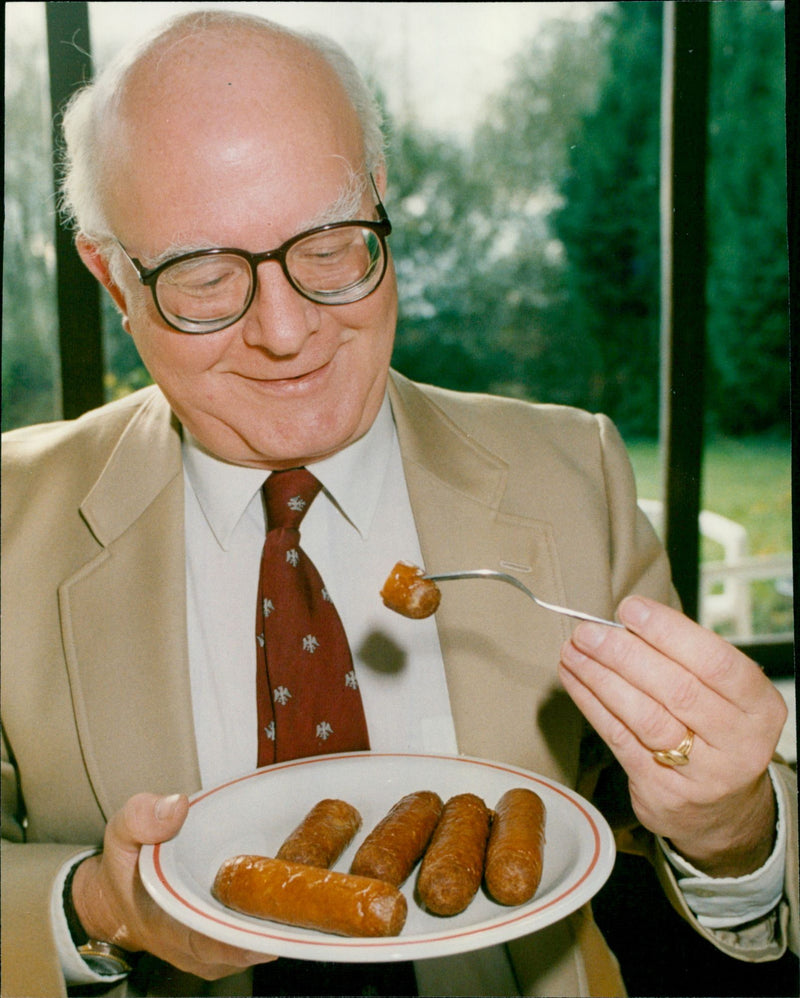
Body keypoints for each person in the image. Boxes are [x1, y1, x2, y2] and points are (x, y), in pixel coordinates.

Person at [1, 10, 796, 998]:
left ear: (379, 205)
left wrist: (728, 822)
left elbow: (695, 854)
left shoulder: (572, 470)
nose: (287, 331)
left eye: (330, 246)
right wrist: (96, 907)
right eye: (204, 275)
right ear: (112, 276)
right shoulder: (7, 520)